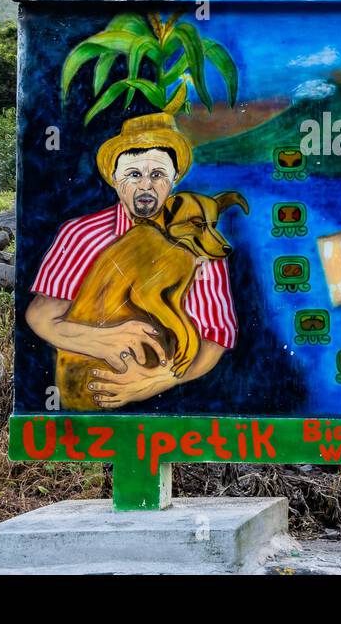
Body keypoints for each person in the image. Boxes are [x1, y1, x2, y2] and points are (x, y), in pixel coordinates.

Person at [25, 111, 237, 406]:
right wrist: (94, 339)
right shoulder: (80, 235)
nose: (146, 186)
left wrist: (159, 380)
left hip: (173, 400)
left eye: (158, 174)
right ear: (113, 177)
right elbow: (41, 316)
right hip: (86, 398)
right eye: (134, 174)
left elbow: (216, 335)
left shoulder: (200, 242)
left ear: (175, 179)